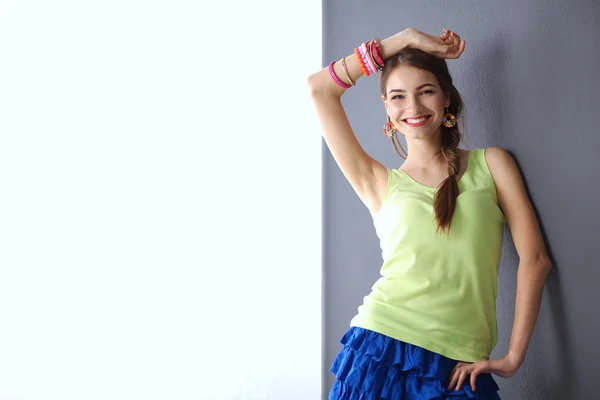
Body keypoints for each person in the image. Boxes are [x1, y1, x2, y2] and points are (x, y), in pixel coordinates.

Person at [307, 27, 552, 399]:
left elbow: (535, 259)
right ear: (387, 108)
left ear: (446, 99)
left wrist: (514, 357)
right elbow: (319, 89)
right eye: (398, 96)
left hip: (460, 367)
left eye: (426, 91)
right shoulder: (376, 181)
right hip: (380, 353)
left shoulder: (492, 164)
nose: (413, 107)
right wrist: (400, 41)